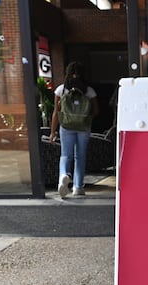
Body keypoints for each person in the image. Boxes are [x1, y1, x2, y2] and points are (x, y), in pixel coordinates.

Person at [49, 62, 99, 197]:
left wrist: (52, 132)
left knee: (66, 155)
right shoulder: (89, 91)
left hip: (66, 126)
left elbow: (56, 112)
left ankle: (64, 175)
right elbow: (96, 111)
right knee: (80, 156)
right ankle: (78, 187)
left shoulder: (61, 90)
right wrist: (85, 119)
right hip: (83, 127)